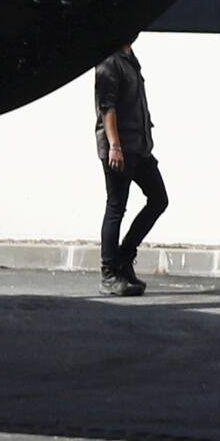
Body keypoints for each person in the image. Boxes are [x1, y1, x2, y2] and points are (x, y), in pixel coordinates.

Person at [90, 44, 166, 295]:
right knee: (116, 207)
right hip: (120, 148)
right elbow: (107, 107)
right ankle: (109, 274)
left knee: (158, 199)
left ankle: (124, 258)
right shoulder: (109, 61)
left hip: (139, 146)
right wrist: (114, 146)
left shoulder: (129, 58)